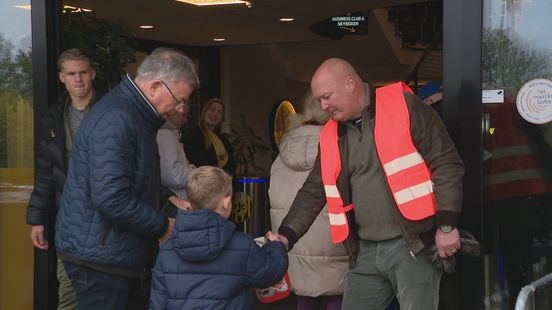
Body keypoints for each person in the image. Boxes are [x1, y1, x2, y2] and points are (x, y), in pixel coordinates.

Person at [276, 58, 465, 309]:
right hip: (366, 251)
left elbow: (446, 162)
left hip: (412, 244)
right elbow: (314, 190)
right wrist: (286, 236)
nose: (323, 106)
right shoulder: (332, 134)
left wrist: (447, 225)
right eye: (319, 99)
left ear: (350, 83)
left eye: (327, 96)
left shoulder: (404, 105)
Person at [55, 47, 199, 310]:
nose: (178, 108)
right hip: (100, 256)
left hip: (110, 251)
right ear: (156, 86)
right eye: (178, 99)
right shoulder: (118, 118)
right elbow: (111, 197)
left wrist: (168, 198)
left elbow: (132, 177)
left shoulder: (134, 115)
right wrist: (162, 226)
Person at [26, 48, 103, 310]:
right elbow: (46, 171)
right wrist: (37, 219)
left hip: (108, 214)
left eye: (83, 72)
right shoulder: (52, 117)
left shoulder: (110, 111)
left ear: (92, 74)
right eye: (71, 73)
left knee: (106, 290)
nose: (78, 79)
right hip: (68, 217)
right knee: (68, 290)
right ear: (62, 78)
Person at [149, 166, 289, 309]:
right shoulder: (242, 246)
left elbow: (157, 304)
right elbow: (270, 272)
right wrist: (275, 245)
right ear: (226, 202)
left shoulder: (167, 251)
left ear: (189, 203)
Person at [269, 90, 348, 310]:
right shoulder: (338, 146)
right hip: (335, 243)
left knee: (304, 299)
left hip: (294, 240)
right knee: (337, 295)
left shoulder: (283, 153)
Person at [183, 98, 236, 174]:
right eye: (212, 110)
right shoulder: (193, 135)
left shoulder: (223, 140)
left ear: (222, 118)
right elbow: (196, 163)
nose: (215, 114)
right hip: (203, 181)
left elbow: (231, 165)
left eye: (219, 112)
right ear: (204, 112)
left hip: (223, 182)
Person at [157, 98, 195, 201]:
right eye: (184, 115)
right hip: (174, 201)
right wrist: (198, 175)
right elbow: (172, 176)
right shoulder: (164, 134)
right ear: (172, 112)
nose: (186, 120)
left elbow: (183, 165)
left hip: (180, 198)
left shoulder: (172, 132)